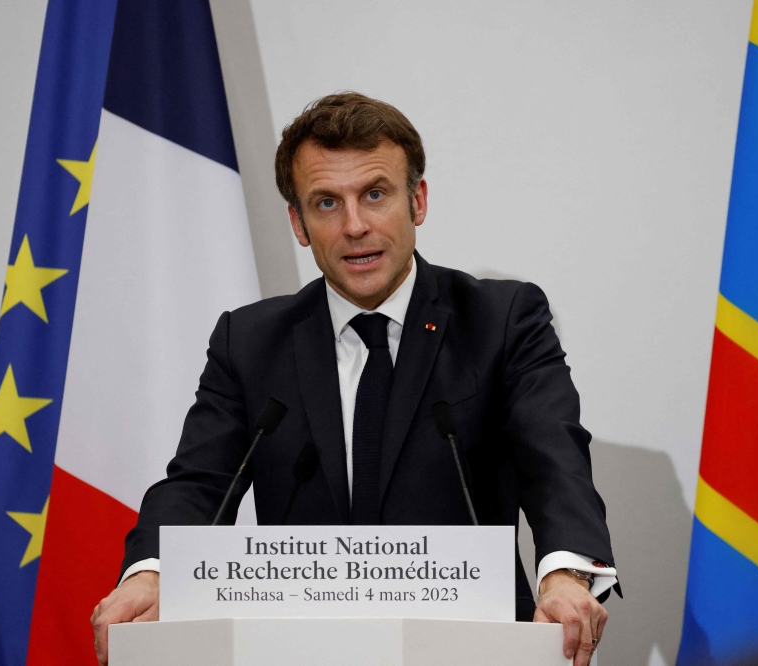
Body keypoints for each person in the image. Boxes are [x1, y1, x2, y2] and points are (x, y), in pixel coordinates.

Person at [91, 92, 618, 666]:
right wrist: (152, 573)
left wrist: (565, 574)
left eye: (374, 194)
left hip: (475, 647)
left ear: (416, 200)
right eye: (325, 203)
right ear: (298, 222)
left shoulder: (501, 319)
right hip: (296, 650)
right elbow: (198, 483)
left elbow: (554, 460)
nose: (354, 226)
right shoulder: (249, 342)